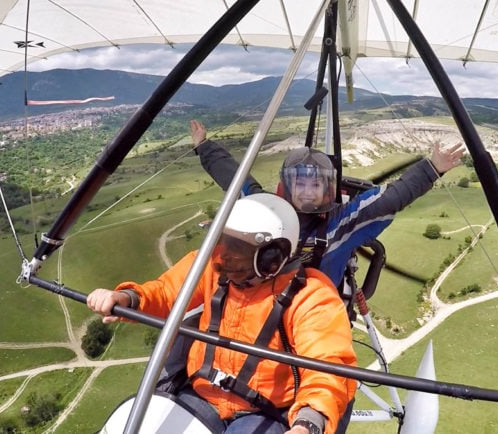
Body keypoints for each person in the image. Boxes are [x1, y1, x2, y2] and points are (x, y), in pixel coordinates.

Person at [87, 193, 357, 434]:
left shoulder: (311, 296)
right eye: (223, 242)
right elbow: (167, 292)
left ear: (271, 259)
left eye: (238, 249)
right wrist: (128, 298)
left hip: (264, 412)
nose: (224, 256)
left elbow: (328, 368)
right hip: (202, 395)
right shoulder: (211, 268)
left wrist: (307, 424)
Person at [190, 119, 464, 288]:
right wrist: (204, 147)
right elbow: (235, 179)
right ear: (288, 187)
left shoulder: (341, 223)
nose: (308, 193)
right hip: (269, 307)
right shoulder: (268, 213)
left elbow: (389, 199)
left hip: (317, 314)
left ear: (327, 190)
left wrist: (431, 169)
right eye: (301, 185)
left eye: (316, 185)